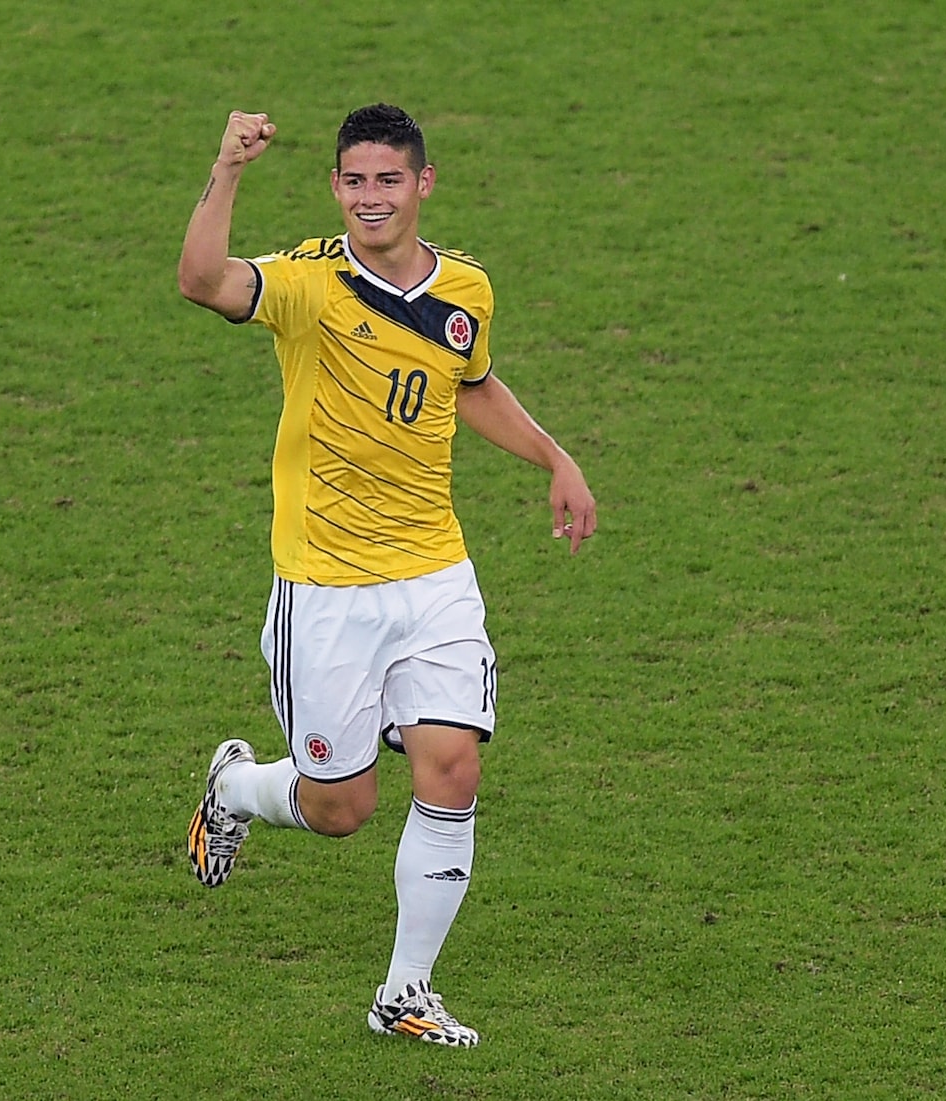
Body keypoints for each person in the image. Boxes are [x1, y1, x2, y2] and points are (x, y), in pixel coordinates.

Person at [177, 103, 597, 1048]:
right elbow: (201, 279)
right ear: (335, 187)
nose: (372, 198)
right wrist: (229, 166)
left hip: (434, 576)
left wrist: (554, 458)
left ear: (422, 184)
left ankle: (404, 991)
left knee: (453, 768)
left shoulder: (466, 290)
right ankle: (236, 786)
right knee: (341, 810)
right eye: (355, 181)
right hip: (324, 591)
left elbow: (471, 381)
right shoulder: (308, 285)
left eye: (388, 180)